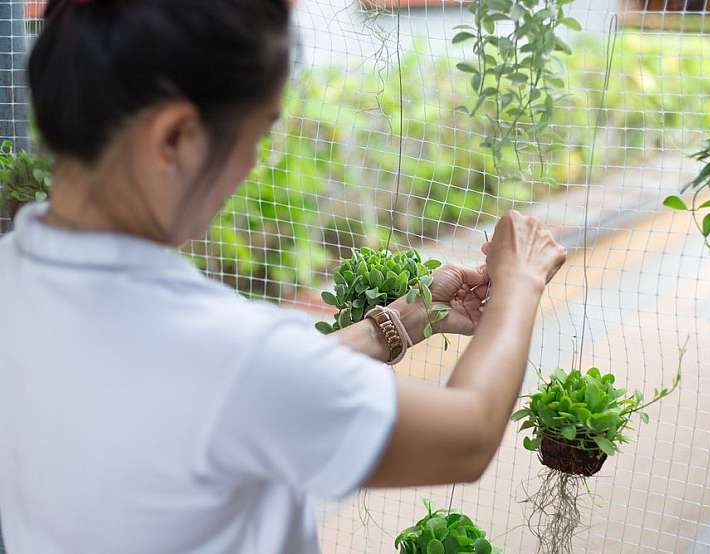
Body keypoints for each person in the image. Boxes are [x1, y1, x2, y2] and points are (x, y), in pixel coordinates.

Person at [0, 1, 567, 553]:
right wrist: (519, 280)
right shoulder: (221, 354)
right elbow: (466, 437)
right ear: (174, 137)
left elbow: (246, 392)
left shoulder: (14, 276)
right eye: (256, 133)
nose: (252, 163)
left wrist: (409, 317)